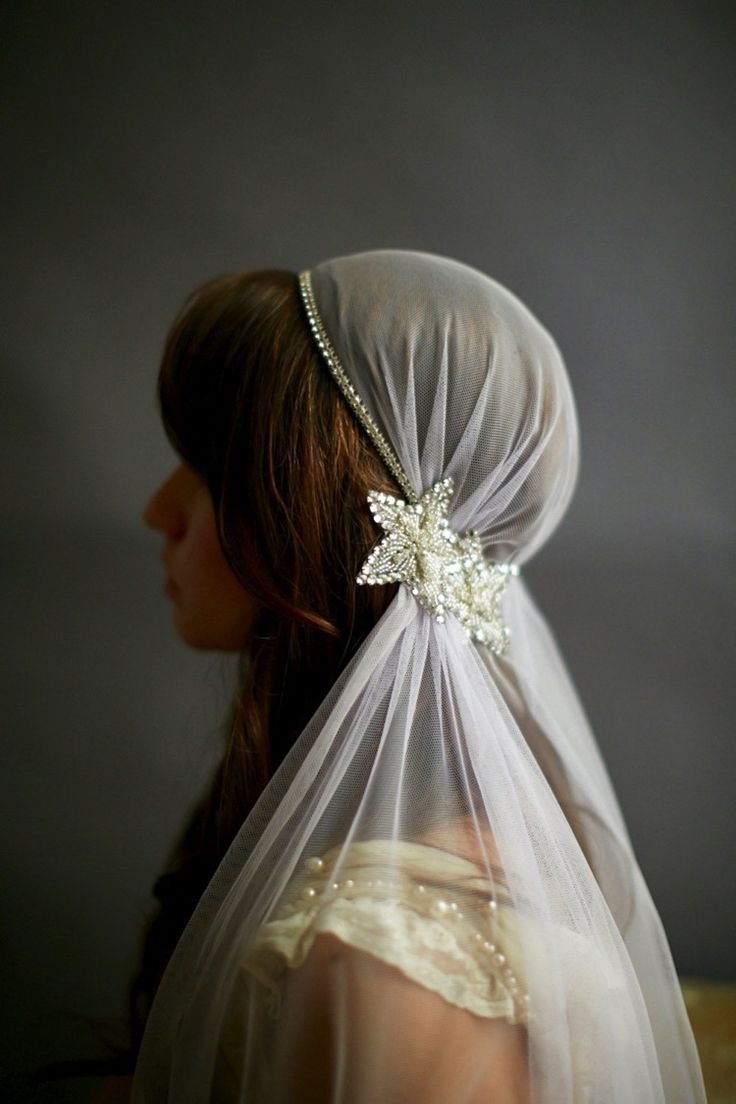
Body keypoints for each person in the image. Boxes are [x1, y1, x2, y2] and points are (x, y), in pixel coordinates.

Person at [127, 250, 705, 1102]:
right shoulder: (401, 884)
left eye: (209, 468)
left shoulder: (384, 964)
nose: (157, 510)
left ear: (312, 522)